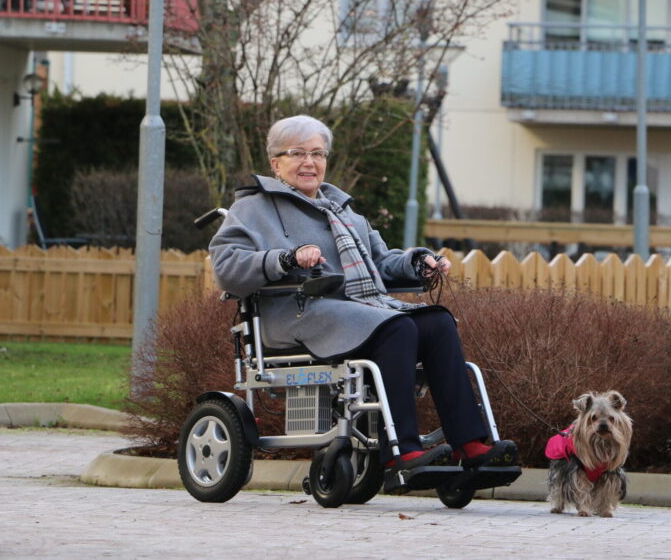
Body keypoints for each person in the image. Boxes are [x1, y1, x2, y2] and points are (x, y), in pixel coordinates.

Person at [209, 114, 517, 473]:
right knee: (397, 327)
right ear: (276, 163)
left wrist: (419, 263)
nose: (309, 162)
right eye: (297, 153)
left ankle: (469, 443)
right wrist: (285, 259)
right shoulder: (252, 209)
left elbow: (380, 261)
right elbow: (226, 267)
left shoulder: (342, 210)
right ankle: (401, 451)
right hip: (297, 314)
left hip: (357, 311)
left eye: (317, 154)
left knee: (437, 322)